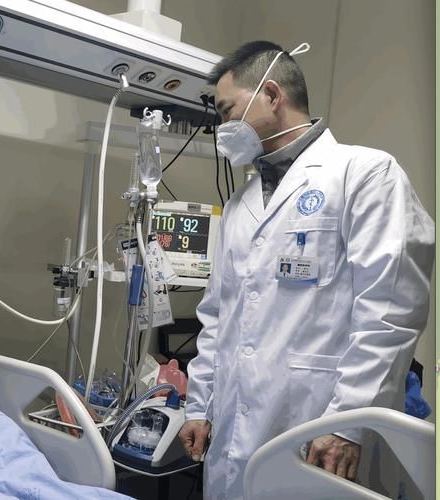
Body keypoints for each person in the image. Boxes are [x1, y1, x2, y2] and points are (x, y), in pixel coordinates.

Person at [177, 40, 434, 500]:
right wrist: (199, 406)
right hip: (232, 438)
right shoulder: (240, 204)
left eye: (228, 110)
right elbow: (217, 316)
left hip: (320, 430)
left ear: (272, 95)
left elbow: (390, 312)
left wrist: (348, 424)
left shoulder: (366, 174)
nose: (223, 126)